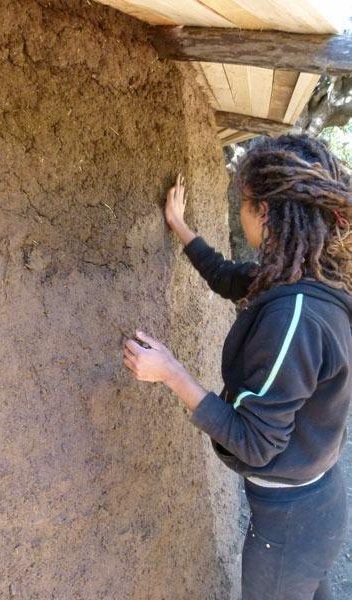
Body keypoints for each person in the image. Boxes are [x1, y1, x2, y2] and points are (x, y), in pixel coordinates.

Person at [122, 133, 351, 600]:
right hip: (312, 504)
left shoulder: (295, 319)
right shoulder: (305, 275)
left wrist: (170, 372)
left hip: (291, 521)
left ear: (263, 213)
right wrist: (180, 226)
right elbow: (230, 278)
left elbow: (254, 441)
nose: (239, 211)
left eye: (241, 202)